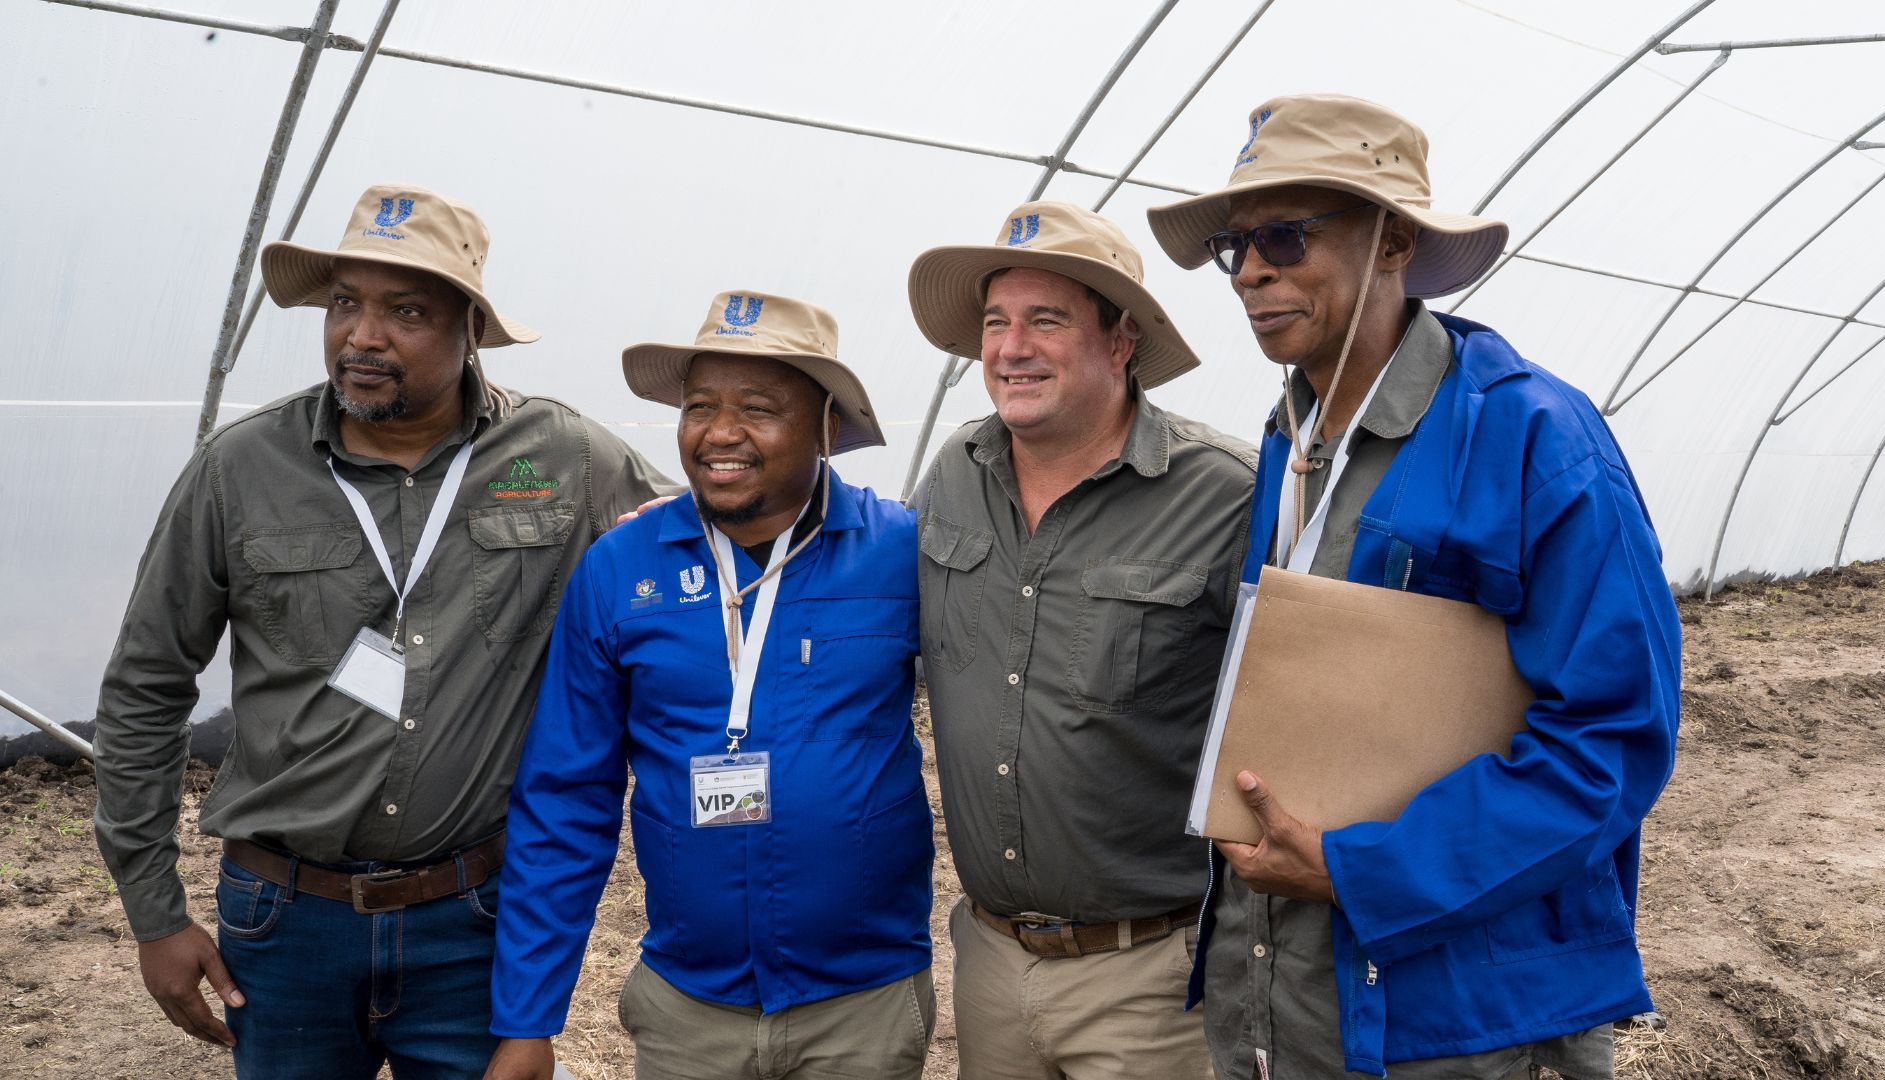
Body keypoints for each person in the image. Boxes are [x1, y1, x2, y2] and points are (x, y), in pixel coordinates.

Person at [1145, 92, 1682, 1079]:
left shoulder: (1533, 440)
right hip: (1287, 997)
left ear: (1392, 241)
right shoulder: (1291, 441)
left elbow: (1610, 742)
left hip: (1462, 1019)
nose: (1252, 270)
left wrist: (1360, 869)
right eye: (1235, 246)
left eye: (1285, 236)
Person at [90, 183, 676, 1078]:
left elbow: (706, 557)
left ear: (470, 327)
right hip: (285, 921)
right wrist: (155, 915)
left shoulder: (565, 458)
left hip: (474, 921)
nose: (362, 336)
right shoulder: (240, 470)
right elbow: (146, 687)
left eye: (405, 311)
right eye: (344, 304)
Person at [484, 291, 935, 1080]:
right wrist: (528, 1017)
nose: (720, 433)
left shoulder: (900, 553)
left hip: (863, 1007)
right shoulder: (621, 570)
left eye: (758, 408)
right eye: (699, 407)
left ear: (827, 427)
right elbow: (566, 798)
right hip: (688, 1010)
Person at [906, 201, 1255, 1078]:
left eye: (1047, 320)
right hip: (990, 961)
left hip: (1150, 980)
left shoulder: (1227, 496)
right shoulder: (954, 474)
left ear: (1122, 338)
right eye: (995, 322)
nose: (1011, 348)